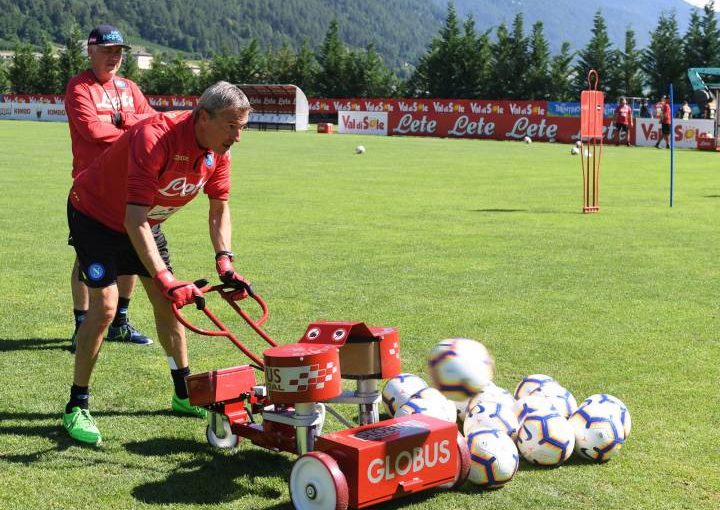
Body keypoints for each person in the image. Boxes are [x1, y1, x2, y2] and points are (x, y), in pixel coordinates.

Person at [63, 81, 253, 445]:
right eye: (231, 125)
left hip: (143, 222)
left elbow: (218, 209)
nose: (237, 137)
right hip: (96, 218)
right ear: (202, 117)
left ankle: (183, 393)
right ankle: (77, 404)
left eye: (241, 127)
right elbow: (131, 219)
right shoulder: (155, 137)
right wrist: (165, 276)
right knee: (104, 308)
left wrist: (225, 262)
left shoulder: (218, 153)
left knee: (168, 305)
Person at [65, 25, 157, 350]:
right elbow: (92, 129)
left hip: (129, 186)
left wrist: (126, 125)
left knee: (129, 254)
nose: (114, 57)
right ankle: (82, 325)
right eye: (107, 51)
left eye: (118, 52)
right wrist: (132, 133)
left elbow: (153, 122)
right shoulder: (79, 87)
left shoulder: (130, 87)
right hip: (91, 188)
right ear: (90, 51)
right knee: (85, 255)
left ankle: (119, 322)